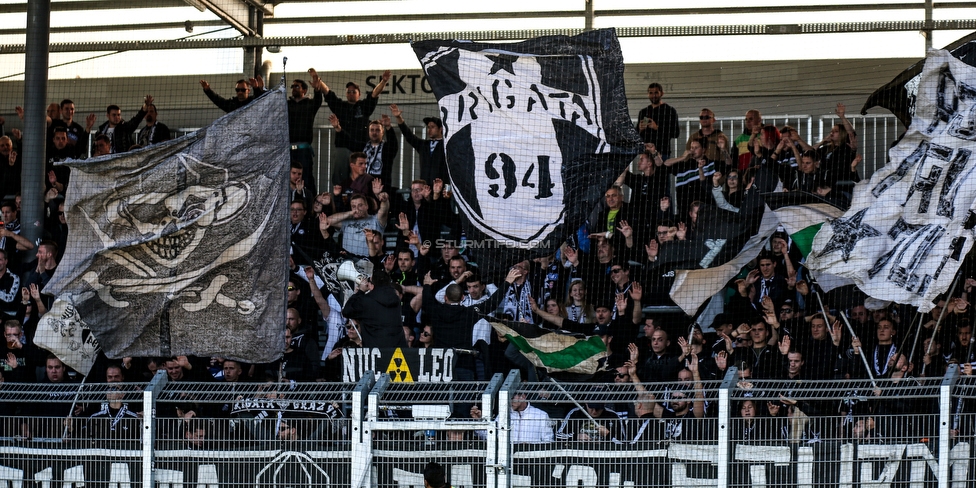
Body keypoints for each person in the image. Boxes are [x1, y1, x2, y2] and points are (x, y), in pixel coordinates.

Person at [324, 71, 391, 185]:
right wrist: (318, 81)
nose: (351, 93)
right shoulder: (340, 106)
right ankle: (340, 200)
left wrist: (383, 81)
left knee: (360, 178)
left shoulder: (364, 106)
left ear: (359, 94)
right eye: (348, 92)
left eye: (353, 91)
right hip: (343, 147)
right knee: (340, 179)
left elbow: (375, 94)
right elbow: (328, 93)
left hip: (360, 148)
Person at [343, 269, 409, 349]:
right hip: (397, 349)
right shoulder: (395, 298)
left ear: (372, 285)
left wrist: (360, 292)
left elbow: (346, 311)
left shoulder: (366, 301)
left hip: (375, 351)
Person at [287, 71, 326, 196]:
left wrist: (317, 88)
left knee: (306, 176)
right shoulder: (286, 105)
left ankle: (310, 205)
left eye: (297, 86)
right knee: (288, 177)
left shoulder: (309, 104)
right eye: (292, 87)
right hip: (288, 149)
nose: (293, 89)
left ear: (304, 90)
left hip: (303, 150)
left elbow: (318, 100)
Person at [391, 104, 448, 184]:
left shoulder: (446, 145)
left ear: (440, 129)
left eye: (432, 127)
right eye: (428, 127)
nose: (429, 129)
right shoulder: (423, 145)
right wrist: (398, 118)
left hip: (440, 186)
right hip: (425, 187)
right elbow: (409, 136)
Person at [327, 187, 390, 258]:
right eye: (353, 206)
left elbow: (384, 210)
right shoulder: (347, 222)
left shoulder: (375, 219)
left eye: (360, 205)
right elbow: (328, 221)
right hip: (348, 263)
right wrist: (350, 213)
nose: (357, 209)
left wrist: (384, 200)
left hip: (369, 262)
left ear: (366, 206)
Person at [635, 82, 680, 159]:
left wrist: (657, 128)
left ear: (662, 93)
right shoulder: (643, 112)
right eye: (651, 93)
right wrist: (639, 129)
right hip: (646, 153)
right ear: (648, 94)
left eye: (656, 92)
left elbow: (676, 133)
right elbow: (636, 134)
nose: (653, 95)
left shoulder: (670, 110)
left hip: (662, 153)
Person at [199, 77, 264, 113]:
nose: (240, 92)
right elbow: (218, 100)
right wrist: (208, 90)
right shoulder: (231, 105)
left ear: (248, 91)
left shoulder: (253, 102)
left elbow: (262, 100)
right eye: (238, 90)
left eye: (243, 90)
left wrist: (257, 88)